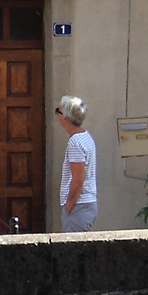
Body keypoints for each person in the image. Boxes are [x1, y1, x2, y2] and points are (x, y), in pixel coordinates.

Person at [56, 96, 97, 232]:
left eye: (59, 111)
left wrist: (68, 205)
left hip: (79, 205)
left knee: (74, 250)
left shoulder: (75, 142)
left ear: (65, 118)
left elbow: (78, 180)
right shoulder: (85, 136)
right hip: (84, 204)